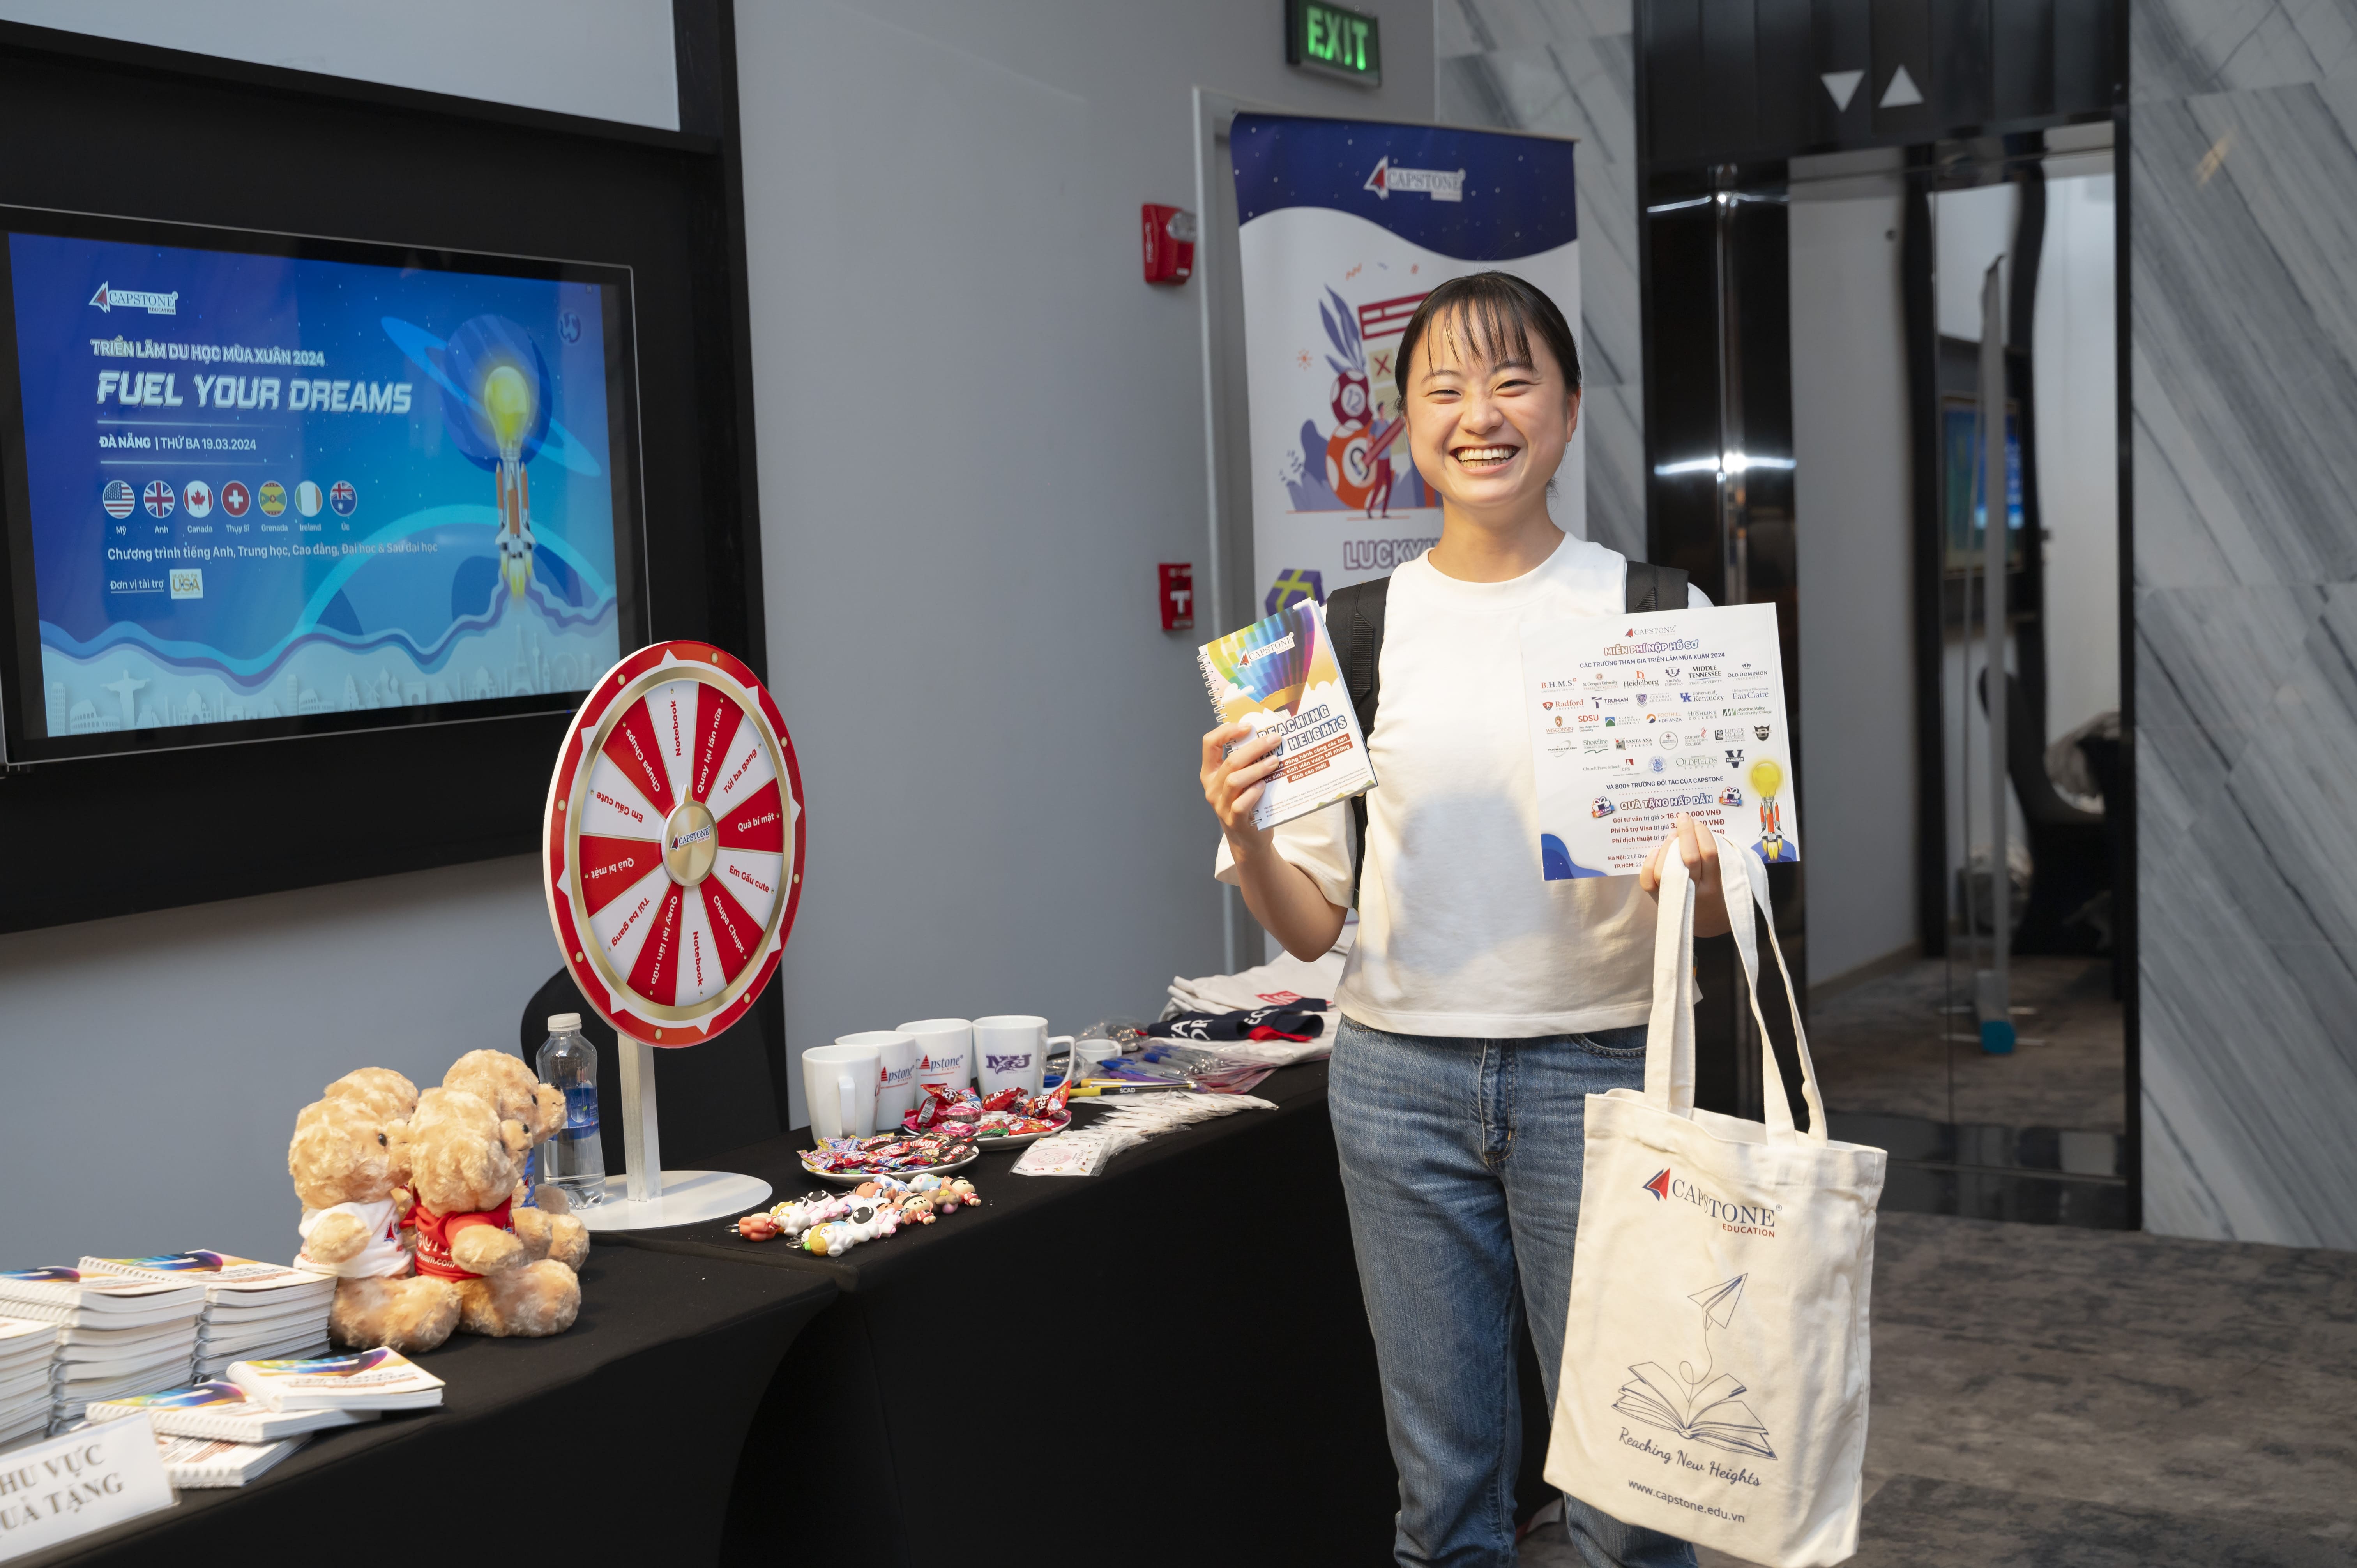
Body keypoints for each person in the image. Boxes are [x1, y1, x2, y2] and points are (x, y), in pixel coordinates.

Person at [1201, 272, 1729, 1568]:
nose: (1479, 414)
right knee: (1442, 1506)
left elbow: (1721, 918)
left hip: (1606, 1073)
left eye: (1512, 381)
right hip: (1397, 1087)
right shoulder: (1336, 638)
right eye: (1443, 387)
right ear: (1403, 424)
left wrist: (1700, 877)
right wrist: (1246, 830)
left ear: (1568, 410)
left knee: (1633, 1505)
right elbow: (1311, 926)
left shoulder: (1659, 614)